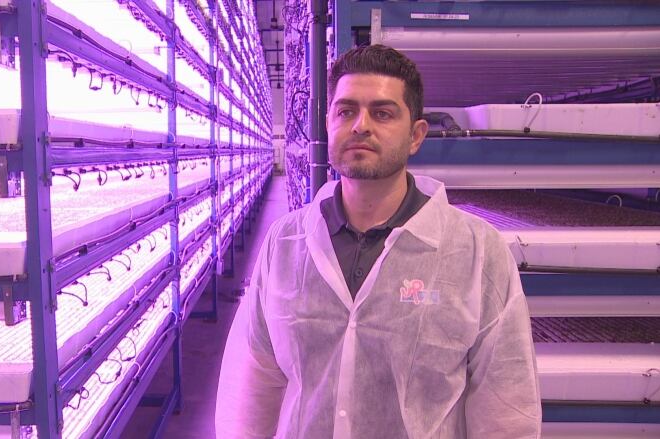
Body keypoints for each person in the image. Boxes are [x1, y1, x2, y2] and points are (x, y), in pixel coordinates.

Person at [215, 44, 541, 438]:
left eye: (382, 113)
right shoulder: (286, 242)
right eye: (346, 111)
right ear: (328, 123)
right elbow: (254, 383)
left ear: (416, 136)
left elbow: (506, 410)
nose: (360, 125)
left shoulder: (476, 251)